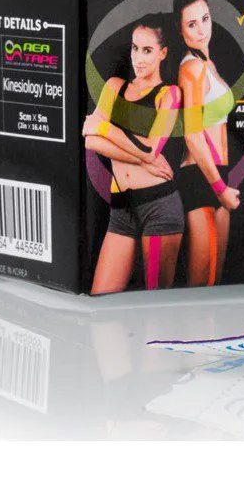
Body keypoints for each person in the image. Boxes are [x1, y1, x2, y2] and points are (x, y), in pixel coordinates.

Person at [83, 19, 183, 294]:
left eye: (147, 50)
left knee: (156, 299)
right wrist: (142, 159)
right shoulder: (114, 87)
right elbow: (90, 139)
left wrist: (105, 127)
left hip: (158, 205)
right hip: (121, 209)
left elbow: (151, 149)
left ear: (163, 53)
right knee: (101, 295)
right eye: (135, 48)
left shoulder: (169, 95)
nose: (138, 58)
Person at [174, 0, 240, 285]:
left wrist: (222, 184)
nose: (201, 30)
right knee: (200, 284)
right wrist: (220, 189)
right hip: (201, 177)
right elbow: (192, 136)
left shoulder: (208, 65)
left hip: (218, 174)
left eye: (205, 19)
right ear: (180, 30)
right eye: (191, 24)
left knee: (215, 282)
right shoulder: (192, 68)